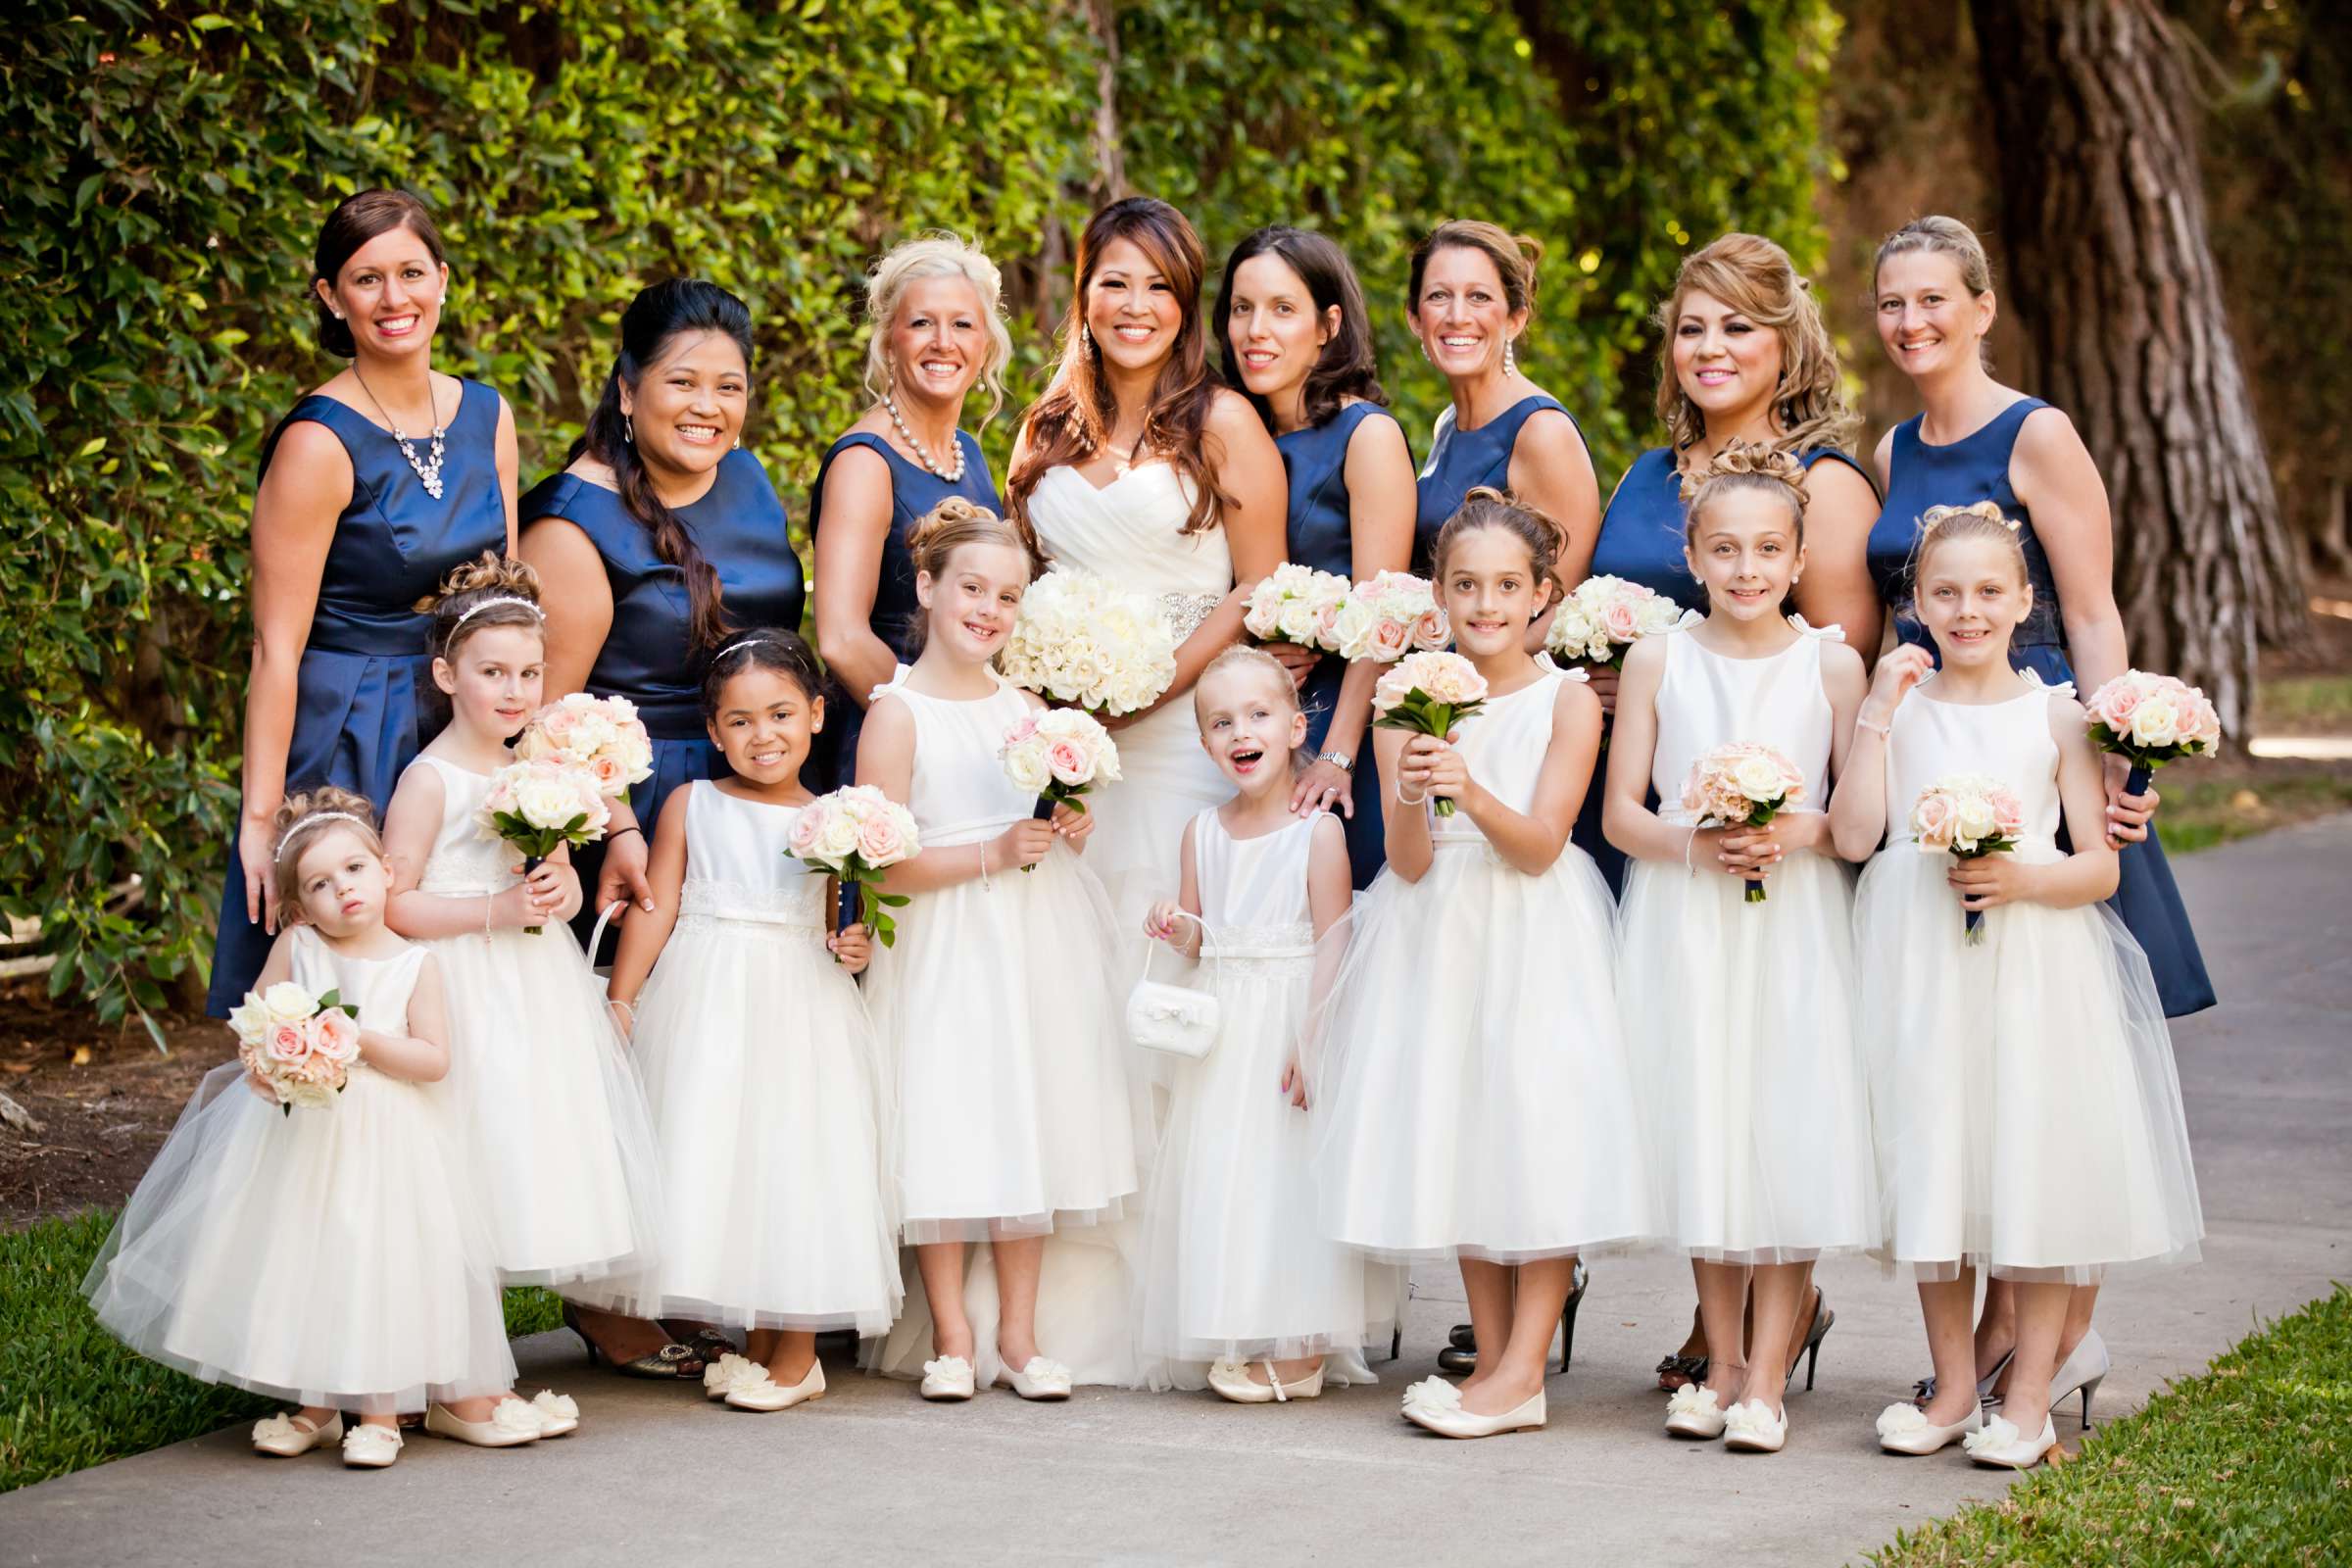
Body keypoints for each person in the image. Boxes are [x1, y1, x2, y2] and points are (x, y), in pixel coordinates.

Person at [1865, 215, 2214, 1413]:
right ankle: (2000, 1360)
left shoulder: (2039, 433)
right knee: (1966, 1062)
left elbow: (2095, 609)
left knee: (2051, 1061)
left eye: (1932, 300)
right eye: (1892, 303)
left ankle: (2038, 1347)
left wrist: (2119, 759)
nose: (1912, 322)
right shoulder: (1893, 444)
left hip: (2041, 747)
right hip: (1934, 743)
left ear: (1982, 304)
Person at [1830, 503, 2201, 1470]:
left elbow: (2100, 870)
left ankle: (2029, 1394)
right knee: (1936, 1170)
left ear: (2025, 601)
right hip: (1920, 963)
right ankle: (1953, 1384)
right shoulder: (1901, 707)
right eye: (1945, 592)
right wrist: (1873, 714)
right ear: (1915, 602)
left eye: (1990, 591)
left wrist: (2021, 878)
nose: (1968, 609)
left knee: (2034, 1172)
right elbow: (1858, 836)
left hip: (2035, 965)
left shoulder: (2058, 713)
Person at [1312, 489, 1650, 1440]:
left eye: (1508, 585)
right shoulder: (1405, 702)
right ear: (1440, 592)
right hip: (1440, 931)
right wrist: (1417, 792)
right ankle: (1500, 1369)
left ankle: (1522, 1365)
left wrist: (1469, 784)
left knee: (1535, 1131)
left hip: (1533, 927)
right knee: (1463, 1132)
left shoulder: (1569, 699)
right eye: (1467, 585)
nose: (1488, 603)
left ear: (1543, 592)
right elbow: (1410, 862)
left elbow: (1543, 842)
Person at [89, 791, 533, 1469]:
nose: (343, 892)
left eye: (355, 870)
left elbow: (435, 1060)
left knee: (374, 1266)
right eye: (320, 885)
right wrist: (267, 1067)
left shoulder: (418, 963)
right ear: (299, 905)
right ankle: (317, 1405)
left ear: (387, 870)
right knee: (309, 1262)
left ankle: (380, 1409)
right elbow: (258, 1023)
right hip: (302, 1138)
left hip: (389, 1143)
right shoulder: (299, 946)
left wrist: (361, 1042)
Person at [1604, 446, 1875, 1454]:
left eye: (1768, 549)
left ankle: (1770, 1376)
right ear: (1693, 554)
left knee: (1786, 1125)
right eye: (1725, 549)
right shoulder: (1659, 659)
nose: (1747, 568)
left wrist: (1795, 829)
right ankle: (1719, 1365)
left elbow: (1856, 822)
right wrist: (1697, 841)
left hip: (1795, 925)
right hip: (1689, 920)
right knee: (1708, 1130)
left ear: (1801, 557)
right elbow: (1622, 813)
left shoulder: (1831, 663)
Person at [858, 498, 1141, 1399]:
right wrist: (988, 853)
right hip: (944, 941)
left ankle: (1019, 1337)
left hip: (1031, 935)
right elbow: (878, 860)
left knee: (1029, 1114)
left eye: (1009, 597)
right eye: (971, 588)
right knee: (944, 1118)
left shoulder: (1025, 707)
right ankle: (950, 1333)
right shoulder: (897, 713)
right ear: (928, 587)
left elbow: (1037, 818)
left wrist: (1067, 823)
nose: (988, 609)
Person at [209, 189, 515, 1018]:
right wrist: (262, 819)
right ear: (330, 297)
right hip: (350, 725)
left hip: (460, 719)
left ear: (442, 280)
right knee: (346, 976)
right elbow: (277, 648)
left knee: (459, 978)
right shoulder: (317, 441)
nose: (394, 299)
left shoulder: (488, 415)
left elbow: (506, 609)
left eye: (411, 272)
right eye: (366, 279)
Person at [379, 558, 665, 1383]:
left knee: (523, 1151)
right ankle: (444, 1358)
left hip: (534, 989)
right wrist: (494, 913)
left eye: (530, 673)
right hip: (460, 988)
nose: (515, 690)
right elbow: (396, 907)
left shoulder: (538, 770)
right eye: (492, 672)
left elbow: (553, 873)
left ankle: (476, 1360)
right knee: (465, 1155)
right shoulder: (430, 780)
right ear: (447, 674)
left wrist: (563, 881)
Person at [603, 632, 903, 1412]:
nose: (761, 736)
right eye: (739, 721)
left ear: (814, 714)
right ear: (712, 731)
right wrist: (624, 997)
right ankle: (758, 1340)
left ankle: (798, 1352)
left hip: (798, 1004)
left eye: (778, 715)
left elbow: (849, 924)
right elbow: (657, 905)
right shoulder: (691, 804)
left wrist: (855, 940)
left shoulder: (838, 822)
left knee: (796, 1158)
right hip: (703, 1005)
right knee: (724, 1159)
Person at [1007, 195, 1289, 936]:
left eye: (1159, 286)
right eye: (1115, 282)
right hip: (1064, 743)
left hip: (1180, 734)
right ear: (1084, 295)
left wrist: (1151, 686)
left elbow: (1261, 587)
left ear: (1186, 305)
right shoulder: (1044, 426)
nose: (1136, 307)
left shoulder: (1225, 423)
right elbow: (1018, 581)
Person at [1137, 646, 1396, 1402]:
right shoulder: (1202, 830)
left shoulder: (1312, 832)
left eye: (1257, 714)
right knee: (1233, 1174)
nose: (1239, 732)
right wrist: (1173, 925)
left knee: (1289, 1177)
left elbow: (1334, 940)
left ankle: (1305, 1343)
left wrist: (1312, 1039)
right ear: (1204, 741)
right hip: (1224, 1026)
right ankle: (1250, 1318)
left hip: (1287, 1017)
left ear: (1294, 724)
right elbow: (1200, 933)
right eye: (1220, 722)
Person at [517, 278, 805, 945]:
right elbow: (546, 721)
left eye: (728, 388)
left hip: (761, 777)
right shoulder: (570, 522)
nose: (707, 408)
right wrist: (616, 825)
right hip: (634, 816)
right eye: (682, 383)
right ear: (627, 389)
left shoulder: (747, 478)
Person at [1215, 226, 1416, 887]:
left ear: (1328, 325)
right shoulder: (1228, 435)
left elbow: (1383, 619)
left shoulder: (1368, 437)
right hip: (1241, 727)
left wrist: (1337, 755)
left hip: (1336, 725)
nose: (1255, 330)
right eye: (1241, 309)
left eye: (1281, 309)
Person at [811, 234, 1010, 781]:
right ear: (890, 340)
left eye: (963, 325)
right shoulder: (864, 463)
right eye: (922, 323)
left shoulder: (965, 452)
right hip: (893, 740)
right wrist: (940, 724)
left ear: (986, 346)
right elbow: (842, 638)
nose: (943, 342)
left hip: (965, 728)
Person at [1407, 221, 1598, 584]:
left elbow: (1566, 601)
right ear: (1415, 318)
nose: (1457, 315)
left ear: (1515, 318)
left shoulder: (1543, 431)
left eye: (1479, 296)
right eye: (1438, 296)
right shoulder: (1448, 423)